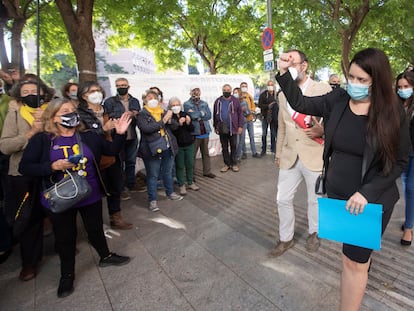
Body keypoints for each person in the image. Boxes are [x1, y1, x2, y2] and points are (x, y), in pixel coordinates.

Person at [276, 47, 410, 311]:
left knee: (353, 261)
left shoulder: (392, 110)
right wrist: (284, 73)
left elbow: (400, 161)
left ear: (377, 81)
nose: (354, 85)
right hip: (339, 198)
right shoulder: (337, 98)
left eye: (362, 80)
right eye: (351, 77)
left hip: (370, 201)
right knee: (353, 256)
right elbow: (301, 103)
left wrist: (367, 193)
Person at [19, 97, 131, 298]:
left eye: (73, 110)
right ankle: (67, 274)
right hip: (59, 198)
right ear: (53, 118)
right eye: (64, 111)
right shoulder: (42, 140)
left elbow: (112, 151)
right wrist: (51, 166)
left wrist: (120, 134)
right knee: (65, 237)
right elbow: (25, 167)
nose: (71, 114)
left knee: (95, 228)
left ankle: (105, 256)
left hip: (90, 194)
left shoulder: (88, 136)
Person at [269, 49, 331, 258]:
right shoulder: (281, 94)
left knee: (315, 199)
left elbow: (335, 120)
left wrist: (324, 130)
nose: (287, 66)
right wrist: (278, 153)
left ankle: (314, 233)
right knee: (282, 199)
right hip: (289, 155)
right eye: (284, 62)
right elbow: (282, 127)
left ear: (304, 66)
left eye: (292, 62)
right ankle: (285, 238)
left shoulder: (323, 89)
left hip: (314, 154)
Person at [0, 78, 54, 281]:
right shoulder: (14, 113)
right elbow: (5, 146)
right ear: (19, 95)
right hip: (23, 175)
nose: (31, 94)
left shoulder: (52, 109)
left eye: (35, 90)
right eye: (26, 91)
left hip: (51, 170)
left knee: (57, 209)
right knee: (28, 218)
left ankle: (63, 245)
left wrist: (47, 122)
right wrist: (32, 132)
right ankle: (29, 262)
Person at [77, 81, 132, 230]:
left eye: (98, 90)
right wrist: (103, 129)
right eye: (92, 91)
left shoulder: (107, 109)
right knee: (95, 192)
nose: (96, 93)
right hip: (94, 159)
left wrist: (119, 129)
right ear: (83, 96)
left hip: (112, 154)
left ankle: (116, 217)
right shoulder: (80, 114)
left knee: (115, 187)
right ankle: (95, 225)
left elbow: (117, 130)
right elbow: (83, 137)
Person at [137, 90, 183, 212]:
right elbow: (147, 129)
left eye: (154, 97)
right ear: (145, 100)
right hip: (152, 149)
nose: (152, 99)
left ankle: (170, 192)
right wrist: (163, 121)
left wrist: (171, 119)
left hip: (167, 146)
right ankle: (152, 200)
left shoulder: (162, 111)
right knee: (152, 175)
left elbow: (174, 126)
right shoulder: (142, 114)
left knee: (167, 172)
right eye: (149, 97)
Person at [103, 77, 141, 195]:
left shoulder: (134, 101)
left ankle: (131, 184)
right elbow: (107, 117)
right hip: (117, 137)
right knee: (118, 163)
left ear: (128, 87)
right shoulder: (110, 101)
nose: (121, 88)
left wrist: (134, 114)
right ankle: (120, 188)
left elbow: (139, 115)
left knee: (131, 162)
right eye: (119, 86)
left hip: (132, 136)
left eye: (123, 85)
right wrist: (122, 116)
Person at [396, 70, 414, 246]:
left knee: (410, 188)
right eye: (400, 87)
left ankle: (408, 228)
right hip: (402, 154)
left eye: (406, 86)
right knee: (405, 184)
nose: (403, 90)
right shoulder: (396, 105)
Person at [184, 86, 216, 178]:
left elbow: (209, 116)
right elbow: (192, 116)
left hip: (205, 132)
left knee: (205, 153)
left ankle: (207, 171)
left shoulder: (204, 103)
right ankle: (191, 174)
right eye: (194, 91)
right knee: (192, 155)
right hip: (195, 133)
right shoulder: (187, 104)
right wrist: (202, 113)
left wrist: (197, 115)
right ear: (190, 92)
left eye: (198, 91)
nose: (196, 93)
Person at [169, 97, 199, 195]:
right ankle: (181, 185)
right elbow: (172, 130)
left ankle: (190, 182)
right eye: (173, 105)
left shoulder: (185, 114)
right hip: (178, 145)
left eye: (177, 105)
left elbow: (191, 129)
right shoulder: (170, 117)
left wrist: (188, 122)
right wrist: (179, 124)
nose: (175, 107)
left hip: (189, 143)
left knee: (190, 164)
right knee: (180, 165)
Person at [213, 84, 243, 173]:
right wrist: (215, 126)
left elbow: (240, 114)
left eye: (228, 89)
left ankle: (234, 164)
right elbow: (215, 114)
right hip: (222, 128)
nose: (226, 91)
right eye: (225, 89)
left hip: (233, 128)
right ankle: (226, 164)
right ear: (222, 90)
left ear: (231, 90)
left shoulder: (235, 101)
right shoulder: (218, 101)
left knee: (234, 146)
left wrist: (240, 126)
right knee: (224, 147)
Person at [238, 82, 261, 159]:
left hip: (250, 119)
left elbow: (253, 107)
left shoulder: (249, 96)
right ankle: (244, 152)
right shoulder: (239, 97)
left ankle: (254, 152)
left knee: (252, 136)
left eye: (245, 86)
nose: (244, 87)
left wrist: (251, 110)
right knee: (242, 138)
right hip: (242, 120)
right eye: (242, 86)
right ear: (240, 87)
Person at [258, 80, 277, 155]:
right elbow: (260, 105)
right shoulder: (263, 95)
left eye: (271, 85)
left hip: (274, 117)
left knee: (273, 133)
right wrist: (268, 106)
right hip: (265, 116)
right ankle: (263, 149)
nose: (270, 86)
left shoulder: (276, 94)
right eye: (269, 85)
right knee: (264, 133)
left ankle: (273, 148)